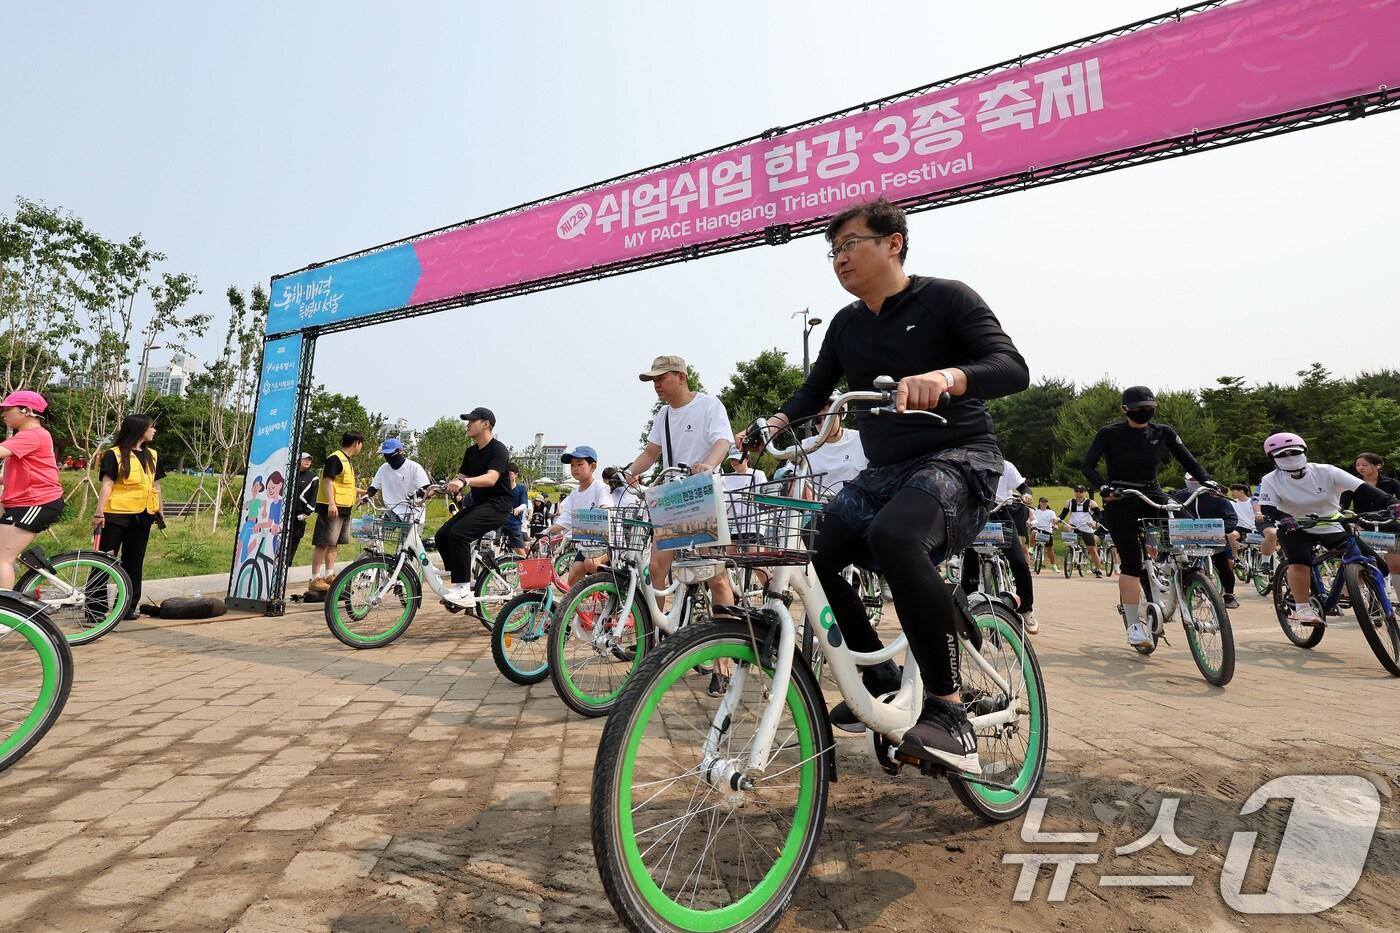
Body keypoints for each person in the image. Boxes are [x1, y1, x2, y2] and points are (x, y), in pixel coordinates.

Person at [757, 197, 1028, 772]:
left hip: (958, 458)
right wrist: (775, 422)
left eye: (850, 243)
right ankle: (878, 678)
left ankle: (949, 712)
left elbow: (1010, 367)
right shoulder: (847, 324)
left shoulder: (947, 297)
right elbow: (814, 391)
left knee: (896, 539)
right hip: (883, 472)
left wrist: (946, 377)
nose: (839, 258)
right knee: (817, 550)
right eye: (833, 250)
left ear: (893, 242)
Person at [1084, 386, 1217, 648]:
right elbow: (1087, 466)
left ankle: (1188, 573)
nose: (1145, 412)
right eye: (1139, 409)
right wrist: (1104, 487)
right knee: (1132, 562)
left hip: (1152, 492)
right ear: (1125, 410)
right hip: (1121, 497)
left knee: (1191, 526)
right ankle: (1134, 625)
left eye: (1149, 408)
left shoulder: (1163, 432)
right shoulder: (1109, 433)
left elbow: (1188, 460)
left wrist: (1207, 480)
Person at [623, 354, 737, 616]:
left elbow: (723, 441)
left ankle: (724, 650)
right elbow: (651, 452)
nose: (657, 385)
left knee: (714, 574)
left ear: (682, 377)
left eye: (662, 378)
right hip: (673, 497)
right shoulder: (663, 415)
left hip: (702, 494)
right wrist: (628, 472)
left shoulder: (709, 404)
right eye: (654, 380)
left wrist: (707, 465)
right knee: (656, 568)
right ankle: (653, 636)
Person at [1260, 434, 1394, 625]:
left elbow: (1362, 488)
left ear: (1305, 451)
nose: (1289, 457)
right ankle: (1303, 608)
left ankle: (1348, 589)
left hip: (1331, 523)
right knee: (1300, 562)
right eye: (1282, 454)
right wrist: (1283, 517)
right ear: (1272, 459)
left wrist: (1392, 502)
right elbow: (1267, 507)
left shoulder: (1326, 471)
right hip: (1295, 526)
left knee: (1379, 565)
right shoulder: (1270, 479)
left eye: (1294, 452)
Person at [434, 407, 513, 603]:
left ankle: (463, 590)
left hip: (498, 506)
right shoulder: (471, 452)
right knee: (442, 535)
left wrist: (464, 483)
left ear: (486, 424)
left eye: (472, 421)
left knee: (459, 533)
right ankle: (460, 578)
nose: (467, 425)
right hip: (479, 504)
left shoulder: (498, 449)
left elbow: (491, 478)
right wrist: (437, 488)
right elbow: (461, 478)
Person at [961, 459, 1039, 632]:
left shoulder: (1005, 466)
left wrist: (1026, 495)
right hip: (976, 515)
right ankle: (965, 613)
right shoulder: (968, 463)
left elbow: (1023, 487)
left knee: (1019, 562)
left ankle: (1026, 609)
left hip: (1001, 513)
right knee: (970, 567)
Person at [0, 391, 64, 591]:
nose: (3, 414)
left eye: (7, 409)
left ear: (26, 411)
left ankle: (5, 616)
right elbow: (20, 475)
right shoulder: (26, 437)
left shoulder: (34, 434)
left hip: (36, 502)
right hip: (19, 501)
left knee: (2, 559)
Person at [1169, 476, 1243, 609]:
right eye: (1190, 479)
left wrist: (1221, 530)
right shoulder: (1179, 496)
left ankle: (1229, 594)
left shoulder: (1216, 496)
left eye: (1195, 478)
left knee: (1224, 565)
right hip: (1186, 538)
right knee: (1181, 563)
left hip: (1215, 537)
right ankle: (1184, 590)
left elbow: (1231, 517)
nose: (1193, 481)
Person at [544, 447, 612, 587]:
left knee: (590, 563)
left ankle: (610, 592)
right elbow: (565, 519)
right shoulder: (574, 494)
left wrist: (600, 511)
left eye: (580, 464)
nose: (575, 468)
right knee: (573, 577)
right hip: (587, 544)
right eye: (572, 465)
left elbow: (606, 506)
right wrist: (547, 531)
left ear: (592, 467)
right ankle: (582, 605)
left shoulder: (600, 487)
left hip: (607, 543)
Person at [308, 431, 365, 592]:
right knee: (322, 542)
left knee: (333, 543)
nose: (361, 448)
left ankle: (329, 575)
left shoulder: (347, 461)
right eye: (361, 445)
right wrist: (331, 504)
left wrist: (365, 492)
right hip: (333, 508)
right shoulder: (335, 458)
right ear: (356, 443)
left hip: (344, 508)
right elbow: (327, 481)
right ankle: (315, 578)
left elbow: (346, 486)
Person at [1345, 452, 1400, 603]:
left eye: (1364, 465)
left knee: (1396, 565)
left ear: (1378, 465)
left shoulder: (1391, 483)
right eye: (1358, 465)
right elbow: (1343, 506)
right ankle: (1372, 602)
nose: (1360, 468)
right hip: (1363, 526)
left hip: (1388, 525)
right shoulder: (1352, 484)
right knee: (1368, 564)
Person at [804, 397, 867, 498]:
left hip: (856, 507)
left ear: (841, 415)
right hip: (817, 510)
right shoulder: (807, 446)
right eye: (817, 420)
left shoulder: (861, 440)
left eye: (828, 418)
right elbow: (789, 475)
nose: (824, 424)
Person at [362, 438, 430, 521]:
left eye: (391, 453)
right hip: (391, 511)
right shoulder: (383, 468)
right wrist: (367, 495)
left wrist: (421, 495)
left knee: (409, 534)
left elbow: (427, 489)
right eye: (386, 454)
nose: (388, 457)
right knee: (377, 530)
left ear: (401, 451)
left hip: (412, 512)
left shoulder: (414, 467)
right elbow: (374, 487)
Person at [1059, 485, 1105, 577]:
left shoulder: (1091, 503)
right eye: (1076, 491)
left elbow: (1098, 515)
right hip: (1073, 526)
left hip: (1086, 527)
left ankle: (1098, 569)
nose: (1078, 493)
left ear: (1084, 492)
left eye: (1081, 491)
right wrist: (1057, 519)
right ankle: (1072, 555)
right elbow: (1063, 515)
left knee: (1092, 549)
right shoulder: (1070, 502)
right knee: (1069, 541)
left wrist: (1095, 522)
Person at [285, 452, 317, 567]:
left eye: (309, 460)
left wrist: (307, 512)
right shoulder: (289, 474)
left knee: (295, 538)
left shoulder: (313, 478)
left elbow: (313, 497)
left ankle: (287, 563)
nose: (307, 461)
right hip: (285, 512)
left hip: (299, 514)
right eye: (305, 459)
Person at [499, 464, 530, 556]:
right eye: (506, 474)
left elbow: (524, 504)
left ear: (516, 475)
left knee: (519, 549)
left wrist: (518, 509)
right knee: (491, 542)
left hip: (514, 521)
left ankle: (526, 565)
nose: (508, 476)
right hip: (501, 520)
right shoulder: (502, 488)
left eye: (510, 474)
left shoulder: (521, 488)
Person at [1029, 496, 1061, 571]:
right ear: (1039, 503)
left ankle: (1053, 565)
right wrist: (1029, 522)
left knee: (1050, 550)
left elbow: (1054, 520)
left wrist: (1055, 525)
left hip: (1047, 530)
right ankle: (1031, 548)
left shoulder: (1051, 512)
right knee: (1034, 532)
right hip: (1036, 528)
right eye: (1042, 502)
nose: (1044, 503)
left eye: (1045, 502)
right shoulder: (1035, 510)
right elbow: (1030, 518)